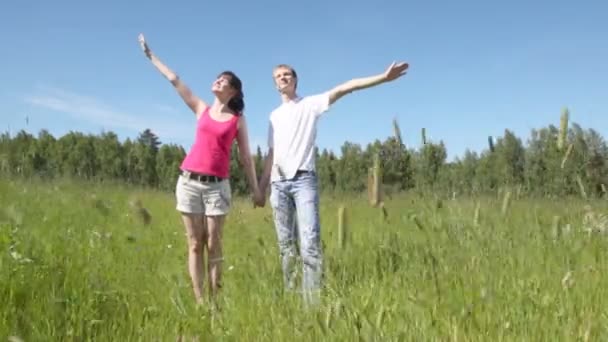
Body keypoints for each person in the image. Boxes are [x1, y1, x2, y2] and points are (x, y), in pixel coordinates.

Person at [257, 61, 409, 305]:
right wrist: (262, 187)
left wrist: (383, 77)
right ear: (275, 84)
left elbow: (345, 87)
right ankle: (291, 296)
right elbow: (271, 154)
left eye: (287, 74)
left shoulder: (310, 104)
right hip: (278, 184)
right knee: (286, 246)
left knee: (310, 241)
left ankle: (312, 304)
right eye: (278, 76)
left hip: (303, 180)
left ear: (295, 80)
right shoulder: (273, 116)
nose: (283, 78)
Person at [138, 33, 264, 305]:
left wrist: (255, 190)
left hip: (217, 187)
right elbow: (174, 80)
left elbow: (246, 159)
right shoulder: (201, 109)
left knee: (214, 244)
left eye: (223, 80)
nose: (216, 80)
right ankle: (200, 302)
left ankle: (216, 302)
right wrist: (151, 56)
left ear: (233, 91)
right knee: (195, 244)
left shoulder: (238, 120)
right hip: (189, 183)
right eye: (217, 78)